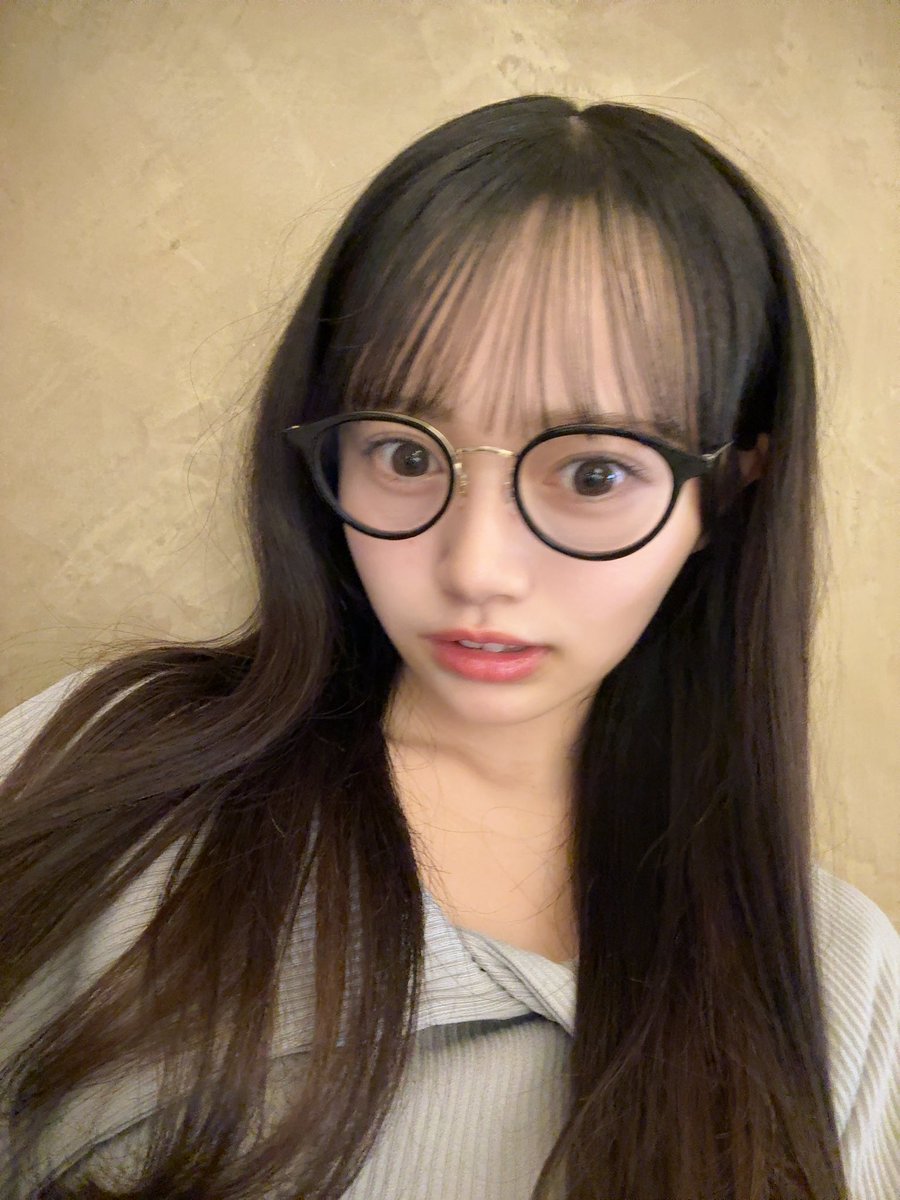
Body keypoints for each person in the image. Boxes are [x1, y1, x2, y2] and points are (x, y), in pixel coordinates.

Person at [0, 95, 897, 1200]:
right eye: (406, 456)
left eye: (595, 472)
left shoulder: (834, 980)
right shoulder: (108, 784)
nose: (476, 567)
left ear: (732, 487)